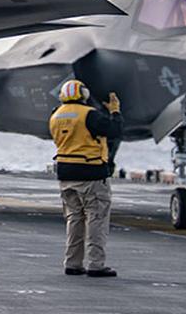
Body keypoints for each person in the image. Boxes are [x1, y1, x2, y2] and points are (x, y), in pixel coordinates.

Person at [49, 79, 123, 278]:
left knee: (74, 219)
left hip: (65, 175)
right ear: (84, 94)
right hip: (91, 174)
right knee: (96, 219)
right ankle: (96, 265)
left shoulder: (56, 115)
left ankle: (72, 263)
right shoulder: (89, 115)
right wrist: (115, 111)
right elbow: (115, 131)